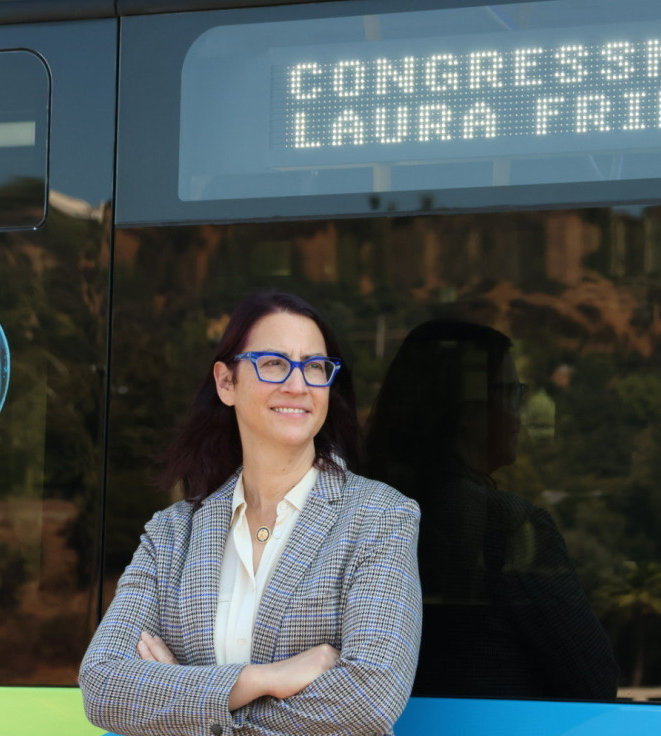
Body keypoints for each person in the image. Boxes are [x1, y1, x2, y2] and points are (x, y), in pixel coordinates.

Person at [80, 290, 421, 736]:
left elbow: (370, 697)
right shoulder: (172, 534)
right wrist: (265, 680)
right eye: (274, 363)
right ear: (226, 383)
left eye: (314, 367)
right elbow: (102, 685)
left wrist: (186, 700)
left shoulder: (380, 518)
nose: (298, 385)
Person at [364, 319, 617, 701]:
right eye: (511, 393)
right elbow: (593, 679)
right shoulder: (506, 526)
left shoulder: (360, 510)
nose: (521, 410)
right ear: (466, 411)